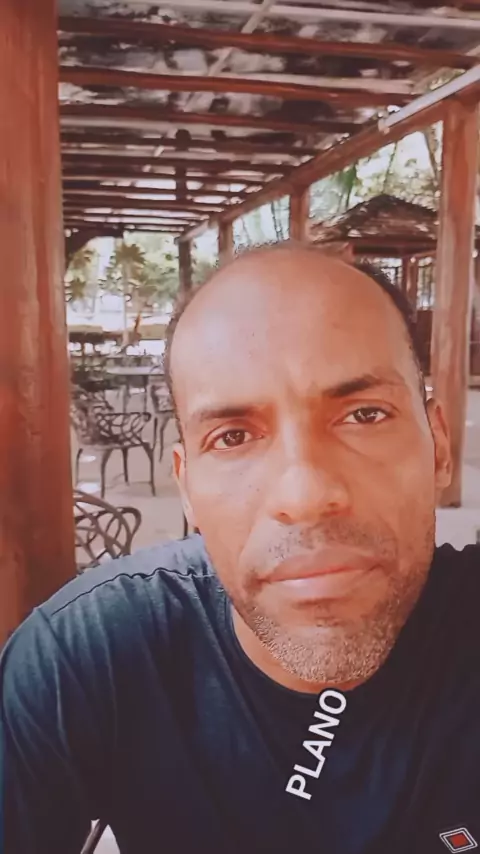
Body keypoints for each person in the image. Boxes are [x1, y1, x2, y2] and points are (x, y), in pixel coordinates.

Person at [1, 243, 479, 854]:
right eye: (232, 437)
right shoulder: (85, 659)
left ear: (439, 447)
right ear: (188, 490)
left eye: (364, 415)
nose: (306, 494)